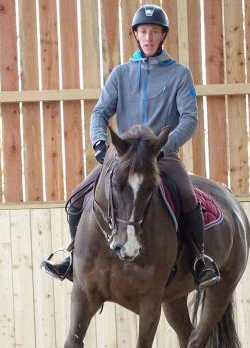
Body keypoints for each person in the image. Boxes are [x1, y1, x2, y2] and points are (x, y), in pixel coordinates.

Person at [41, 4, 220, 289]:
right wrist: (100, 142)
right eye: (144, 31)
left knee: (188, 197)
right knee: (76, 200)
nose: (149, 37)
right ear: (136, 35)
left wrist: (165, 145)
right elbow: (100, 112)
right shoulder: (120, 74)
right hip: (123, 157)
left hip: (162, 155)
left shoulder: (179, 75)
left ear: (163, 36)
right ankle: (73, 259)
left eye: (155, 32)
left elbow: (189, 118)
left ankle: (199, 260)